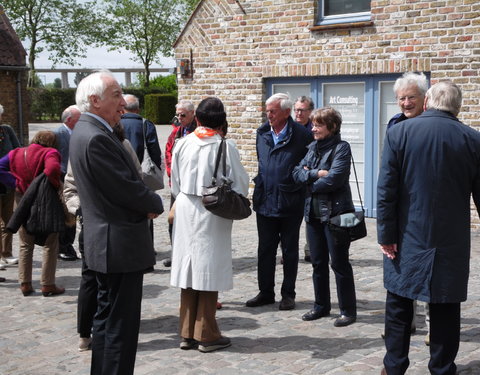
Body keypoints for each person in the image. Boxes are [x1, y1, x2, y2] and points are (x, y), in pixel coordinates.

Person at [377, 81, 480, 375]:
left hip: (407, 235)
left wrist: (385, 235)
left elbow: (386, 190)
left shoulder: (400, 133)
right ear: (457, 107)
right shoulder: (473, 139)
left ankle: (394, 367)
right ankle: (442, 367)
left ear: (426, 103)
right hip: (451, 239)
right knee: (445, 306)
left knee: (399, 303)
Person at [69, 71, 164, 374]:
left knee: (107, 322)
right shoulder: (96, 136)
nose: (123, 103)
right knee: (119, 329)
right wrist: (154, 202)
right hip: (117, 246)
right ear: (95, 101)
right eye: (116, 95)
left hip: (108, 245)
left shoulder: (88, 130)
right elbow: (125, 187)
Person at [170, 97, 249, 353]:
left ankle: (186, 332)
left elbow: (175, 182)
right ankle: (206, 333)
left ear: (198, 118)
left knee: (188, 270)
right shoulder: (225, 146)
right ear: (222, 120)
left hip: (185, 205)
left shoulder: (182, 143)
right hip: (211, 209)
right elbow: (240, 183)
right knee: (207, 270)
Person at [64, 122, 143, 353]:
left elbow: (136, 181)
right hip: (91, 226)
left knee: (115, 285)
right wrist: (82, 209)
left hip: (119, 229)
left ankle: (112, 335)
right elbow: (70, 188)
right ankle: (85, 333)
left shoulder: (124, 146)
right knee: (89, 279)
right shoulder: (84, 144)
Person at [246, 93, 312, 311]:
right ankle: (265, 292)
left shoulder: (302, 135)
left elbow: (307, 164)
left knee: (289, 251)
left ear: (286, 112)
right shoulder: (262, 132)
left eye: (273, 111)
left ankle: (288, 294)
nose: (269, 115)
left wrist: (296, 179)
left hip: (290, 200)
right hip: (265, 200)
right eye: (267, 111)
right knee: (265, 250)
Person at [292, 107, 357, 327]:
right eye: (313, 124)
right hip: (313, 214)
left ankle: (347, 310)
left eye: (318, 125)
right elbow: (296, 173)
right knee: (318, 263)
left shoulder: (342, 148)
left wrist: (309, 181)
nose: (313, 128)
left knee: (339, 263)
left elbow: (335, 179)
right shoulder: (311, 147)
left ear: (332, 126)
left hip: (336, 214)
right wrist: (314, 174)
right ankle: (321, 306)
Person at [384, 72, 430, 345]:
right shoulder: (394, 124)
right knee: (402, 269)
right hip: (401, 209)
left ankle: (434, 326)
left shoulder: (432, 123)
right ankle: (407, 323)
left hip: (425, 207)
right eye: (401, 98)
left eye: (411, 97)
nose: (406, 102)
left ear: (424, 98)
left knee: (433, 269)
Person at [0, 131, 65, 297]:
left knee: (25, 242)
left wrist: (15, 182)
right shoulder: (50, 152)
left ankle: (25, 283)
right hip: (45, 199)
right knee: (51, 242)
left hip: (23, 197)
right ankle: (48, 284)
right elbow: (52, 169)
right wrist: (55, 184)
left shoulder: (15, 153)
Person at [164, 99, 197, 267]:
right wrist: (172, 172)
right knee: (173, 219)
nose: (179, 118)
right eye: (177, 115)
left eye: (183, 115)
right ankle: (176, 253)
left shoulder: (198, 132)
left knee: (191, 221)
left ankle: (191, 254)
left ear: (192, 114)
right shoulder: (176, 132)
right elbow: (168, 152)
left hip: (192, 185)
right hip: (176, 185)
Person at [55, 105, 81, 261]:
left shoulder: (78, 132)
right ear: (70, 120)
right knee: (65, 213)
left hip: (76, 177)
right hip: (63, 178)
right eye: (79, 119)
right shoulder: (58, 134)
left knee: (73, 213)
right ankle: (62, 246)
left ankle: (68, 244)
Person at [294, 96, 314, 263]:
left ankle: (310, 250)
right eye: (297, 110)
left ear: (310, 112)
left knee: (309, 216)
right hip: (292, 179)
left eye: (302, 110)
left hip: (309, 179)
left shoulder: (315, 129)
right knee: (290, 219)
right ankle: (288, 251)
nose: (298, 113)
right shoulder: (288, 128)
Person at [0, 104, 20, 268]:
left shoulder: (6, 131)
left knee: (8, 219)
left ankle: (6, 253)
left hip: (7, 181)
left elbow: (17, 151)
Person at [120, 94, 162, 168]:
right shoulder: (146, 124)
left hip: (121, 169)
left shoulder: (115, 124)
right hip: (142, 170)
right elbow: (154, 151)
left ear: (122, 110)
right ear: (138, 110)